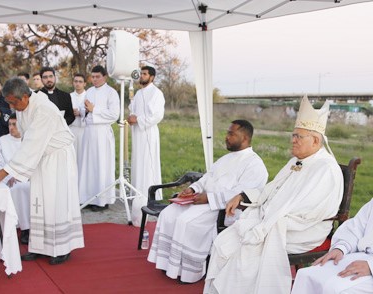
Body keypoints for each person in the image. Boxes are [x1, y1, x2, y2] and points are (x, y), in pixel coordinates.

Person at [204, 96, 344, 294]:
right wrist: (244, 196)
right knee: (223, 242)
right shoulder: (296, 160)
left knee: (245, 254)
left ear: (315, 140)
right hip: (272, 219)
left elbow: (308, 211)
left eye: (298, 137)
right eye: (293, 135)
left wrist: (267, 223)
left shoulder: (325, 169)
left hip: (300, 228)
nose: (293, 140)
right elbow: (272, 189)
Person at [147, 120, 268, 283]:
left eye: (231, 134)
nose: (226, 137)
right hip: (203, 201)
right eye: (227, 133)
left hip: (222, 209)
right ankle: (169, 263)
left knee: (186, 222)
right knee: (168, 214)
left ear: (245, 138)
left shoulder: (255, 165)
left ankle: (190, 272)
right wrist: (193, 189)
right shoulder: (225, 158)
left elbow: (241, 194)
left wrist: (208, 199)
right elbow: (207, 178)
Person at [0, 77, 84, 265]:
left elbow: (31, 145)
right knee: (39, 201)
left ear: (24, 96)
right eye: (9, 103)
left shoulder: (44, 109)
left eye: (14, 102)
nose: (12, 107)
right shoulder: (24, 107)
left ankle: (61, 248)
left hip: (57, 159)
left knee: (56, 202)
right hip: (41, 158)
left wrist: (4, 172)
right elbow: (28, 141)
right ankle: (40, 246)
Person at [291, 198, 373, 294]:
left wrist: (370, 266)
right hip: (361, 256)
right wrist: (341, 248)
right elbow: (357, 227)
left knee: (334, 288)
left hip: (369, 267)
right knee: (306, 275)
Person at [127, 66, 166, 225]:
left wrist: (139, 120)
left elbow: (157, 115)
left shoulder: (157, 93)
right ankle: (138, 197)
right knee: (138, 165)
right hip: (137, 134)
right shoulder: (138, 93)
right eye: (141, 74)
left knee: (147, 166)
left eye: (144, 74)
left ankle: (147, 200)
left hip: (148, 133)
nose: (141, 76)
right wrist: (131, 118)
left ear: (152, 77)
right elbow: (133, 111)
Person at [78, 65, 120, 211]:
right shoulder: (88, 91)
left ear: (105, 77)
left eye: (97, 77)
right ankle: (87, 197)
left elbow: (114, 114)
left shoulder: (111, 93)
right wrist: (84, 110)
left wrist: (94, 109)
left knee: (101, 165)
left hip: (102, 133)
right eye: (93, 77)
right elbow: (85, 111)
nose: (94, 79)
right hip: (89, 133)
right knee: (88, 165)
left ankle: (102, 200)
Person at [0, 113, 31, 244]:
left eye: (14, 124)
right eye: (9, 124)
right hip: (8, 178)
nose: (11, 127)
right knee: (16, 188)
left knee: (24, 187)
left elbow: (33, 162)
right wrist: (10, 176)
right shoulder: (1, 141)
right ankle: (19, 227)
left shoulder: (29, 140)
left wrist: (21, 177)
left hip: (27, 178)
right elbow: (1, 164)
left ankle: (28, 227)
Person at [69, 73, 87, 166]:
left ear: (84, 84)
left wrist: (81, 113)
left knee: (83, 158)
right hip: (72, 129)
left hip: (85, 130)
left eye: (80, 82)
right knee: (72, 158)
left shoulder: (89, 95)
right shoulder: (69, 97)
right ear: (73, 83)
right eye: (76, 81)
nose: (78, 84)